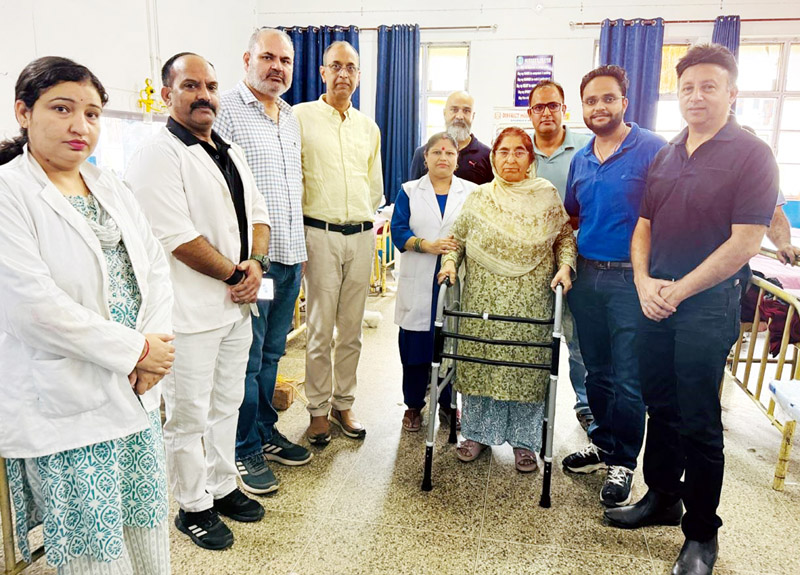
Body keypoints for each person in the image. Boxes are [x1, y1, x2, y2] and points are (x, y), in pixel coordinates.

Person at [606, 44, 779, 575]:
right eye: (687, 87)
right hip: (656, 299)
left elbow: (745, 241)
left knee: (699, 419)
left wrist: (678, 290)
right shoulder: (667, 153)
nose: (696, 96)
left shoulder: (752, 155)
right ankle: (663, 497)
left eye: (708, 86)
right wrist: (643, 282)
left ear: (731, 93)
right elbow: (644, 226)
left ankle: (702, 534)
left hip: (706, 306)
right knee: (660, 406)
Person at [0, 56, 174, 574]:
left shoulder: (110, 186)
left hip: (136, 389)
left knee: (143, 526)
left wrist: (153, 348)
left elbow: (155, 269)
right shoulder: (9, 192)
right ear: (24, 113)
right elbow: (32, 307)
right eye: (62, 109)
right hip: (69, 403)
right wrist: (136, 351)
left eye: (93, 113)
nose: (81, 125)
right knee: (93, 549)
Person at [125, 52, 271, 551]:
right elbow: (176, 237)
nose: (204, 94)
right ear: (168, 94)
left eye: (210, 85)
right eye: (191, 85)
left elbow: (259, 215)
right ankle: (192, 505)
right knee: (188, 414)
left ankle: (223, 485)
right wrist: (236, 273)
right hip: (189, 312)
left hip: (236, 306)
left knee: (227, 402)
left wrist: (256, 265)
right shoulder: (156, 154)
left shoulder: (229, 150)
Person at [437, 126, 575, 473]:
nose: (511, 158)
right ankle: (476, 434)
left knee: (525, 369)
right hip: (482, 301)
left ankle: (524, 442)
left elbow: (564, 238)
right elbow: (457, 240)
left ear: (530, 159)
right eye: (503, 151)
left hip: (530, 303)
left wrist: (566, 266)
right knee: (482, 365)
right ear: (494, 157)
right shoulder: (480, 197)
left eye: (519, 151)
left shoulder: (546, 195)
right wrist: (450, 263)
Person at [561, 65, 666, 507]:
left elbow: (668, 212)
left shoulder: (653, 149)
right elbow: (574, 214)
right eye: (591, 101)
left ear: (624, 102)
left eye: (607, 98)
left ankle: (623, 462)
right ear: (582, 108)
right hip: (588, 277)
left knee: (628, 377)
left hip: (631, 280)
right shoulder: (581, 158)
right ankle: (603, 445)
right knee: (596, 371)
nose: (599, 107)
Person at [214, 27, 312, 496]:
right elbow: (220, 188)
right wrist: (241, 259)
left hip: (290, 257)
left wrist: (301, 254)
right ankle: (243, 445)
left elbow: (293, 189)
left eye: (285, 60)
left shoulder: (290, 117)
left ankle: (265, 430)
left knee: (274, 354)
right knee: (247, 360)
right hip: (255, 262)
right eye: (268, 57)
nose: (277, 67)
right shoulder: (227, 111)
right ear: (247, 59)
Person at [294, 41, 383, 444]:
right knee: (319, 329)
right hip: (320, 235)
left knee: (351, 330)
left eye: (351, 67)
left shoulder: (369, 128)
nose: (343, 73)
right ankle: (317, 409)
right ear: (323, 72)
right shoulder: (299, 118)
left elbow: (374, 186)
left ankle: (343, 403)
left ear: (359, 76)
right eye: (336, 66)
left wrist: (363, 219)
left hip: (361, 236)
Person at [392, 132, 478, 431]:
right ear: (425, 158)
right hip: (419, 277)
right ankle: (413, 406)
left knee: (450, 344)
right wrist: (426, 245)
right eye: (437, 152)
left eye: (450, 153)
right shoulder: (409, 191)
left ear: (457, 159)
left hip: (455, 278)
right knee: (415, 346)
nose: (443, 157)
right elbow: (398, 231)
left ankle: (448, 404)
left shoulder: (472, 192)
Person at [527, 79, 594, 433]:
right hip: (532, 265)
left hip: (580, 260)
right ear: (530, 113)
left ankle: (587, 405)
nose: (547, 113)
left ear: (564, 109)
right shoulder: (520, 150)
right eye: (539, 107)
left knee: (579, 340)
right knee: (535, 339)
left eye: (553, 105)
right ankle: (532, 408)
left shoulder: (586, 147)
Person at [408, 91, 492, 185]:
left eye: (466, 111)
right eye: (454, 110)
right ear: (444, 113)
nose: (460, 116)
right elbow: (413, 191)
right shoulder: (423, 153)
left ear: (473, 116)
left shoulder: (488, 156)